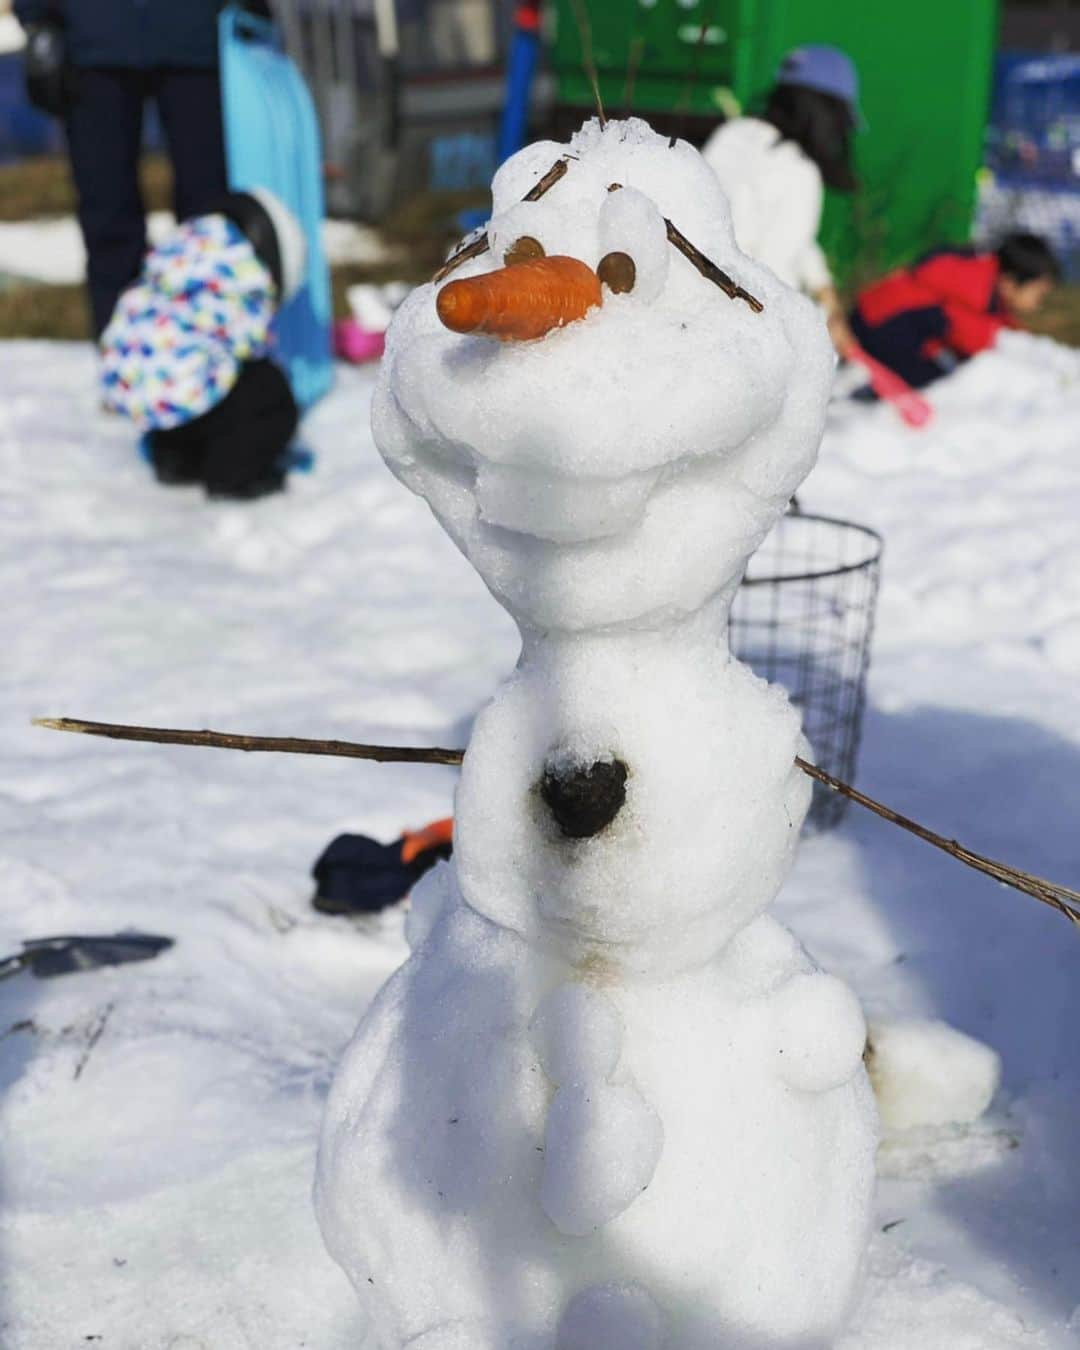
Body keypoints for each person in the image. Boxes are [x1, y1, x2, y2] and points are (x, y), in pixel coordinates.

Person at [14, 1, 268, 339]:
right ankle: (126, 364)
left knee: (210, 221)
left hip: (196, 39)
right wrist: (37, 19)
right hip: (92, 42)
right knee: (109, 216)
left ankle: (212, 355)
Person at [100, 188, 305, 499]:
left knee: (187, 379)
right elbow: (250, 340)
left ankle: (175, 460)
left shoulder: (178, 252)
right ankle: (234, 477)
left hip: (141, 388)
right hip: (191, 386)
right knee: (268, 392)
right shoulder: (243, 272)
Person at [701, 44, 861, 357]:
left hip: (695, 302)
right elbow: (776, 268)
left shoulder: (732, 135)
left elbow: (781, 231)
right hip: (746, 337)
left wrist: (823, 288)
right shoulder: (798, 169)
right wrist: (821, 327)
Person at [849, 232, 1060, 389]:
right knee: (939, 376)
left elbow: (998, 325)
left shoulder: (986, 280)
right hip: (876, 323)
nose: (1038, 304)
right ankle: (860, 379)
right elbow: (975, 336)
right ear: (1010, 281)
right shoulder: (974, 284)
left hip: (883, 320)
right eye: (1038, 295)